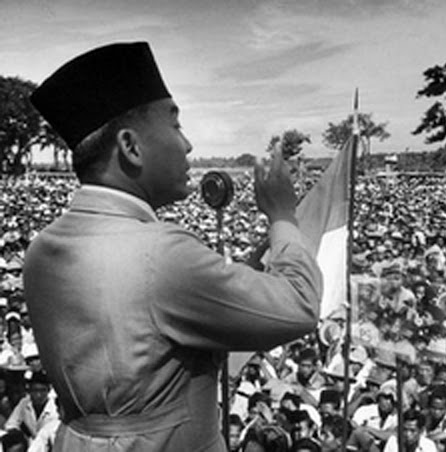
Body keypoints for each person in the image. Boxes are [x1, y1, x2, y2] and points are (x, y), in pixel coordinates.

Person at [24, 42, 322, 451]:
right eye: (175, 124)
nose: (188, 145)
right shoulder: (161, 253)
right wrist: (283, 216)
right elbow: (299, 307)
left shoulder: (42, 249)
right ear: (131, 147)